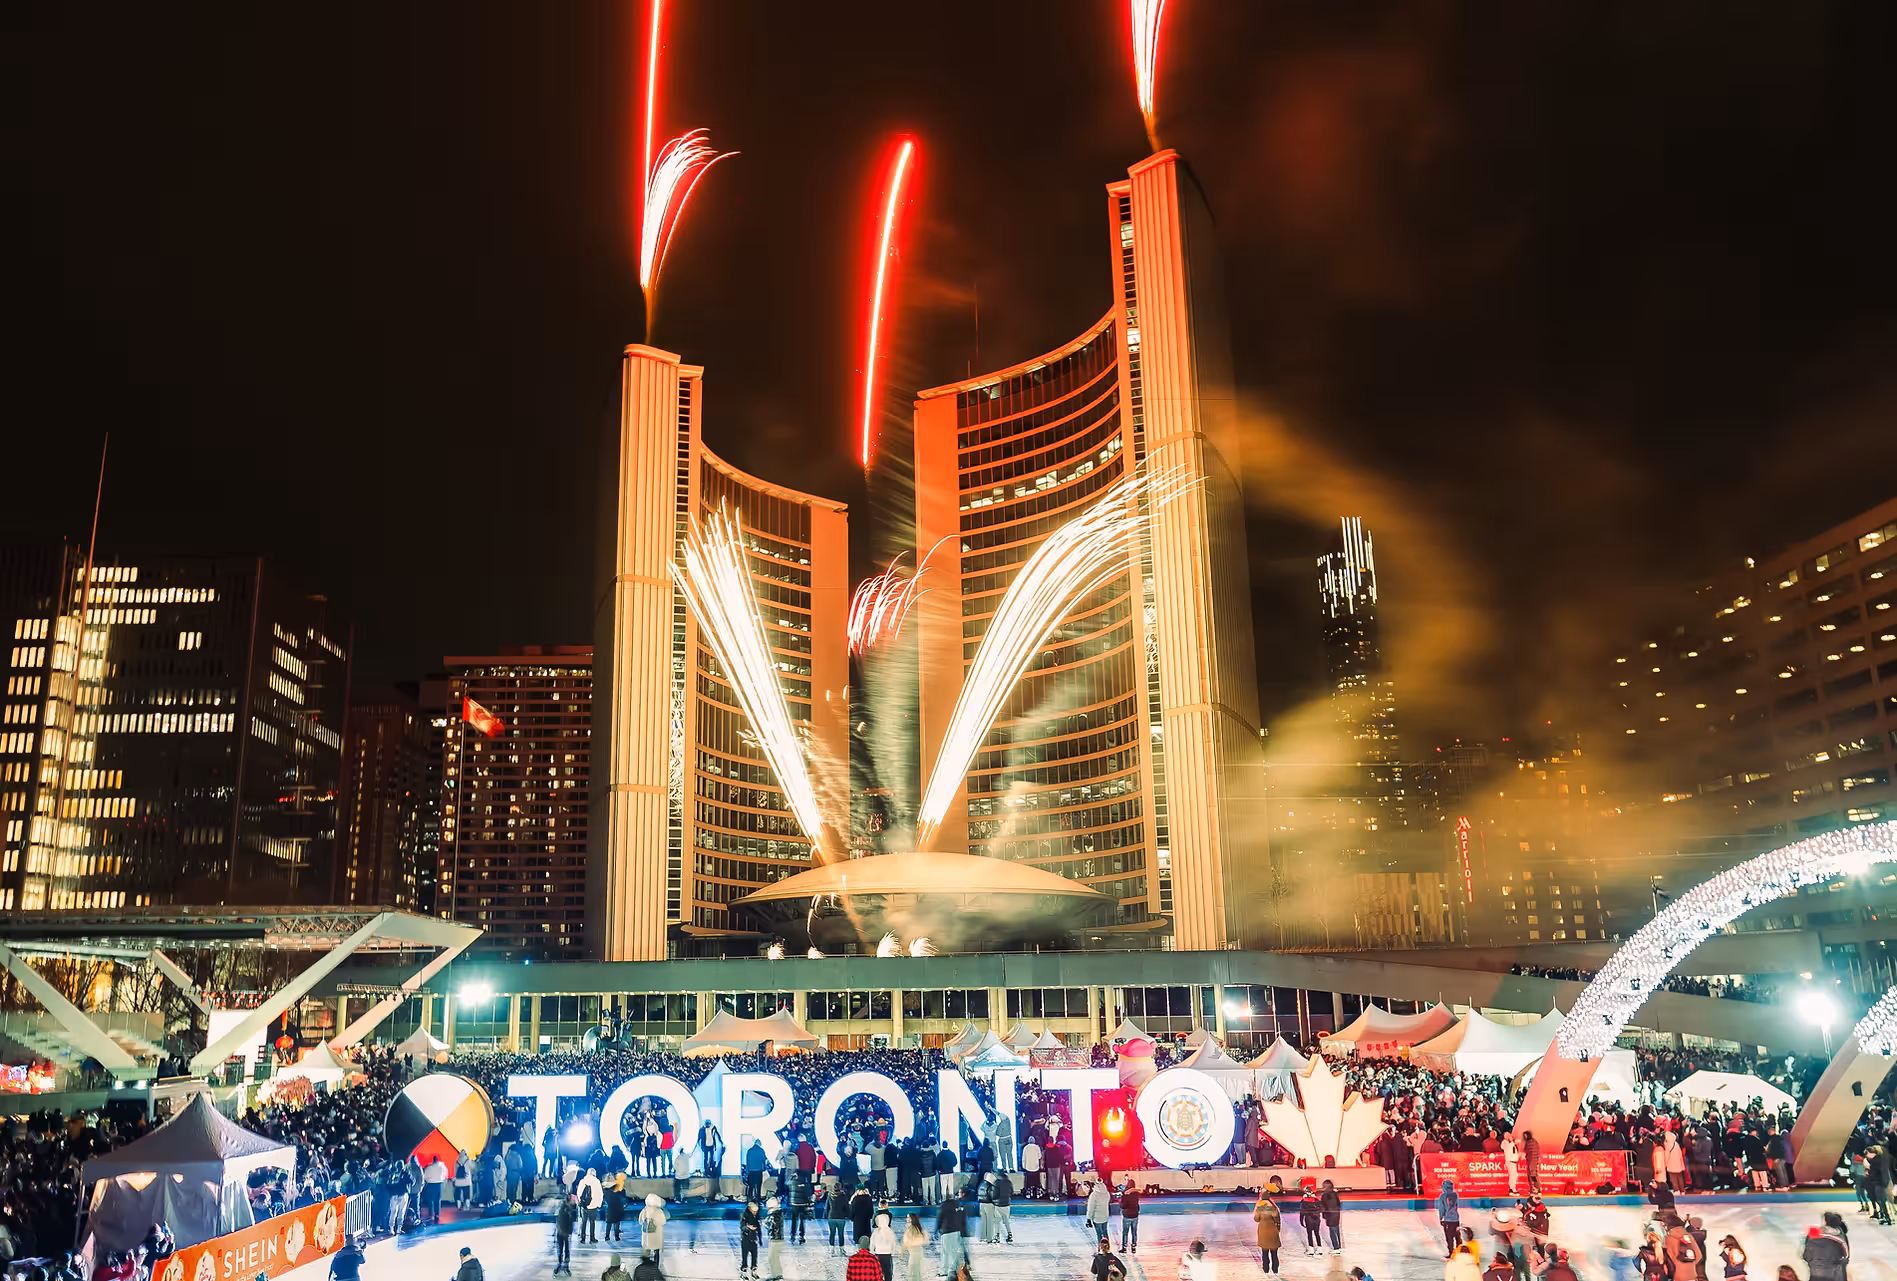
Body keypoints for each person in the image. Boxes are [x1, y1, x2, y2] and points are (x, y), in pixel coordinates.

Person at [937, 1190, 968, 1279]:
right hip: (956, 1231)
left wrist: (938, 1229)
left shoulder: (943, 1206)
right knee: (955, 1252)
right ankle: (953, 1270)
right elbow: (963, 1218)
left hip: (946, 1231)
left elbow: (940, 1218)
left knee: (945, 1252)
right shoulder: (959, 1205)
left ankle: (944, 1271)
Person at [1254, 1190, 1282, 1277]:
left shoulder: (1260, 1207)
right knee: (1274, 1253)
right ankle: (1275, 1269)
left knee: (1265, 1252)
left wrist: (1256, 1207)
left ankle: (1266, 1268)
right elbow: (1277, 1220)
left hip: (1263, 1231)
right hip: (1273, 1231)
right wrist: (1278, 1229)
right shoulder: (1274, 1208)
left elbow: (1256, 1219)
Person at [1436, 1178, 1461, 1258]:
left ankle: (1451, 1253)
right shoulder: (1456, 1195)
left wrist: (1441, 1218)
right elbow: (1457, 1205)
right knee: (1457, 1236)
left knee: (1449, 1237)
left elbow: (1441, 1208)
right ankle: (1460, 1251)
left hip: (1448, 1220)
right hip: (1456, 1219)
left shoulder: (1443, 1196)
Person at [578, 1168, 603, 1244]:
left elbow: (579, 1193)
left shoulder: (583, 1181)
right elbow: (600, 1194)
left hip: (584, 1206)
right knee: (592, 1222)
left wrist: (581, 1202)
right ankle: (592, 1238)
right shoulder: (597, 1182)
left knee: (584, 1222)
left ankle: (583, 1238)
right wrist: (598, 1204)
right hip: (593, 1205)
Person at [422, 1154, 449, 1224]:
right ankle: (437, 1214)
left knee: (430, 1200)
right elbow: (446, 1175)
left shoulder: (429, 1167)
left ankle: (430, 1214)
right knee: (438, 1200)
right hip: (439, 1184)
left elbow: (425, 1176)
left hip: (430, 1184)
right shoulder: (442, 1167)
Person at [872, 1209, 897, 1281]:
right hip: (887, 1254)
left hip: (878, 1253)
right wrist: (893, 1251)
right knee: (888, 1271)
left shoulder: (876, 1231)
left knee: (879, 1271)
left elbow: (872, 1243)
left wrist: (872, 1251)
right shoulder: (889, 1231)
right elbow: (893, 1242)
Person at [555, 1195, 576, 1276]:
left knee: (566, 1250)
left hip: (566, 1233)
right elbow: (559, 1221)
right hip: (562, 1233)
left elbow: (571, 1221)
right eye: (573, 1200)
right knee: (560, 1249)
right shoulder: (563, 1208)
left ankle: (566, 1265)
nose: (574, 1202)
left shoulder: (571, 1209)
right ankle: (560, 1263)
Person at [739, 1201, 761, 1281]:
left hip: (753, 1239)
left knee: (754, 1257)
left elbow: (758, 1227)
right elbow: (742, 1226)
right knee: (745, 1257)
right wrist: (748, 1227)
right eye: (754, 1211)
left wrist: (759, 1236)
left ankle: (754, 1271)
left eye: (756, 1211)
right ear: (750, 1209)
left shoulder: (755, 1216)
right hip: (746, 1240)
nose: (755, 1213)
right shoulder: (745, 1215)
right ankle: (743, 1272)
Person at [1298, 1186, 1323, 1256]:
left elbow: (1302, 1212)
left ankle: (1311, 1249)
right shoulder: (1316, 1200)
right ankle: (1319, 1248)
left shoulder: (1303, 1201)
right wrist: (1316, 1213)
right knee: (1317, 1233)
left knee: (1310, 1234)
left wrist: (1301, 1221)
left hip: (1309, 1219)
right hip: (1317, 1219)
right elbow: (1321, 1209)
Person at [1320, 1179, 1343, 1254]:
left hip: (1330, 1215)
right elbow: (1338, 1204)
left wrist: (1324, 1214)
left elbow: (1323, 1206)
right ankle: (1339, 1246)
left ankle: (1336, 1248)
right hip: (1336, 1214)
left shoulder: (1325, 1195)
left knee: (1332, 1232)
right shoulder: (1335, 1194)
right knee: (1337, 1230)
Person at [766, 1197, 786, 1281]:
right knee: (775, 1257)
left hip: (775, 1239)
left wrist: (765, 1224)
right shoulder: (778, 1214)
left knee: (772, 1257)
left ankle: (776, 1275)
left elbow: (773, 1227)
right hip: (778, 1239)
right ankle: (777, 1274)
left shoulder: (774, 1215)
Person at [825, 1184, 849, 1254]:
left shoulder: (830, 1195)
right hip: (841, 1217)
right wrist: (846, 1215)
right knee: (841, 1234)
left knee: (832, 1233)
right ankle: (841, 1249)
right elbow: (847, 1207)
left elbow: (827, 1207)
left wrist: (827, 1216)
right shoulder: (843, 1196)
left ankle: (831, 1249)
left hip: (831, 1217)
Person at [903, 1215, 929, 1281]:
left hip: (915, 1252)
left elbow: (917, 1240)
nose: (907, 1218)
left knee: (913, 1271)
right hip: (915, 1252)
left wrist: (907, 1245)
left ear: (912, 1219)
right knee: (916, 1271)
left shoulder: (913, 1228)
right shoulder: (912, 1227)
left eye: (908, 1217)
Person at [992, 1169, 1014, 1243]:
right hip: (1006, 1203)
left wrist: (993, 1199)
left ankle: (997, 1236)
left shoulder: (996, 1182)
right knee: (1006, 1221)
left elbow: (994, 1193)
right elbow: (1012, 1192)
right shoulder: (1009, 1182)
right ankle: (1010, 1235)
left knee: (997, 1221)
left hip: (998, 1204)